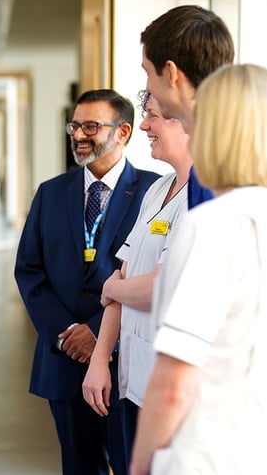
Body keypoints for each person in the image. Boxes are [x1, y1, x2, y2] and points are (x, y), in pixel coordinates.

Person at [139, 4, 267, 458]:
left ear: (171, 73)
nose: (145, 91)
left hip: (211, 430)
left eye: (146, 72)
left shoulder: (217, 191)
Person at [15, 89, 160, 475]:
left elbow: (154, 276)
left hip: (123, 360)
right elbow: (29, 270)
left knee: (131, 464)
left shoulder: (155, 191)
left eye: (91, 126)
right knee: (78, 466)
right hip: (63, 360)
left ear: (123, 131)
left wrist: (96, 333)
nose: (79, 134)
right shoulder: (51, 193)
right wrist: (66, 332)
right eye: (75, 125)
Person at [81, 91, 191, 455]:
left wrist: (116, 288)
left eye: (154, 116)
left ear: (184, 122)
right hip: (132, 377)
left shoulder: (200, 199)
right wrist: (99, 358)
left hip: (169, 387)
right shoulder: (158, 188)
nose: (145, 125)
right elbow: (125, 275)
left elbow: (156, 288)